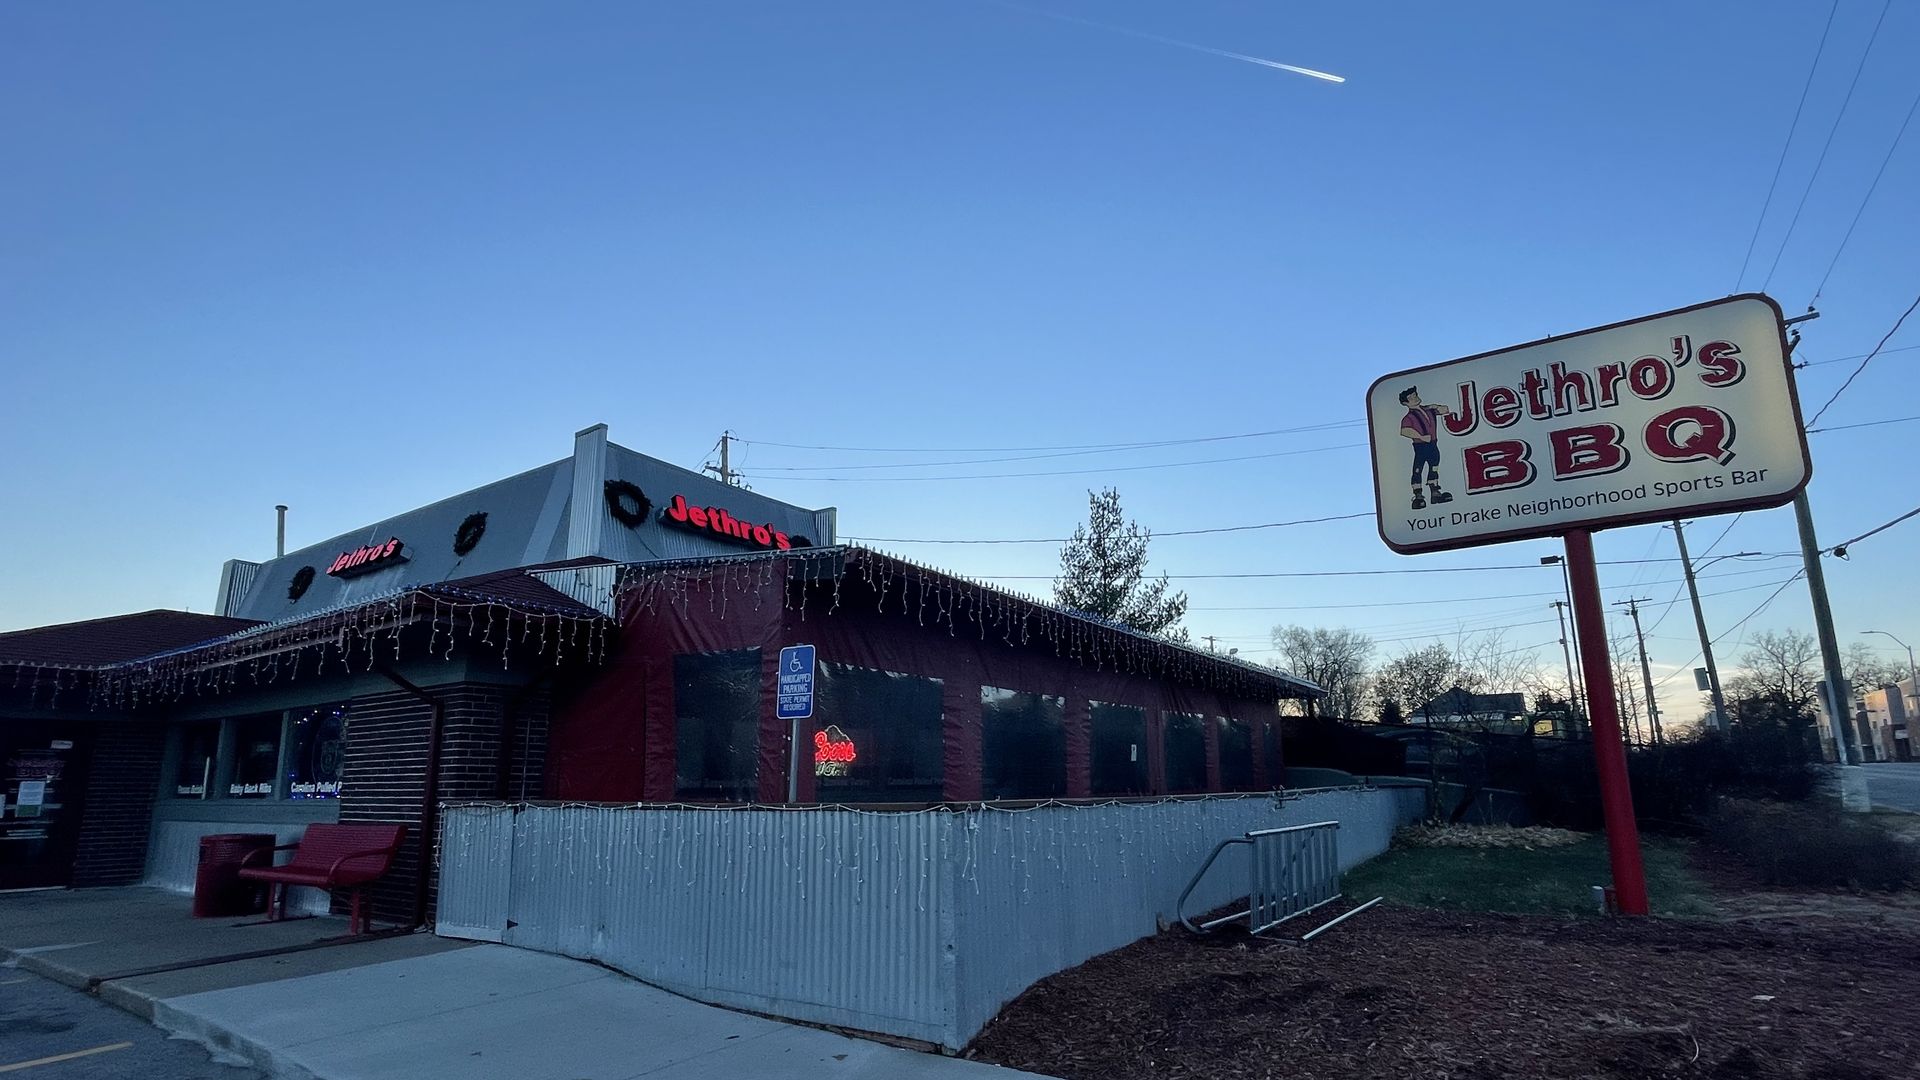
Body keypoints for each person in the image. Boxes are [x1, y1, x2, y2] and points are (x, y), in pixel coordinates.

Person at [1398, 386, 1454, 510]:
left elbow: (1445, 410)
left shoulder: (1428, 410)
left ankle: (1435, 492)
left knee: (1434, 466)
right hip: (1420, 446)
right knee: (1418, 468)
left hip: (1433, 444)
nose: (1415, 397)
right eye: (1411, 397)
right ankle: (1418, 495)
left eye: (1415, 395)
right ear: (1405, 403)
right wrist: (1421, 437)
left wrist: (1435, 406)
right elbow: (1404, 431)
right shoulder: (1409, 417)